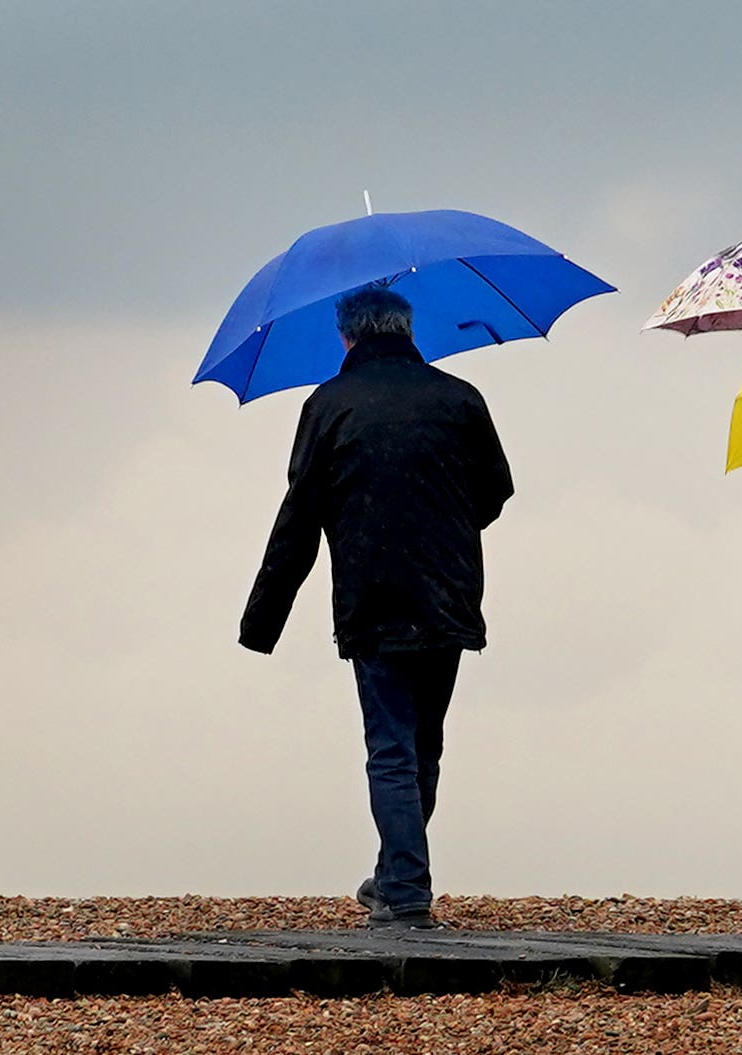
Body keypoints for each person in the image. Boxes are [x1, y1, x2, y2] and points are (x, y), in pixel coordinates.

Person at [238, 285, 514, 930]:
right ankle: (396, 875)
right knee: (424, 745)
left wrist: (262, 619)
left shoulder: (329, 405)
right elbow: (496, 491)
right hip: (449, 593)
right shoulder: (459, 397)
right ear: (409, 328)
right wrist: (444, 524)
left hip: (372, 595)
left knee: (390, 746)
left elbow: (299, 517)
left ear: (347, 337)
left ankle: (406, 889)